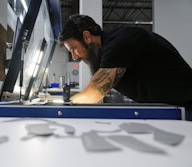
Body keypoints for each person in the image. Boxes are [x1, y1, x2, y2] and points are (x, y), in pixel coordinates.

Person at [58, 14, 192, 120]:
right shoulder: (111, 49)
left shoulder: (119, 41)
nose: (74, 57)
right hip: (172, 111)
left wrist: (61, 108)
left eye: (74, 49)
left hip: (187, 110)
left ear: (86, 37)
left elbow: (93, 94)